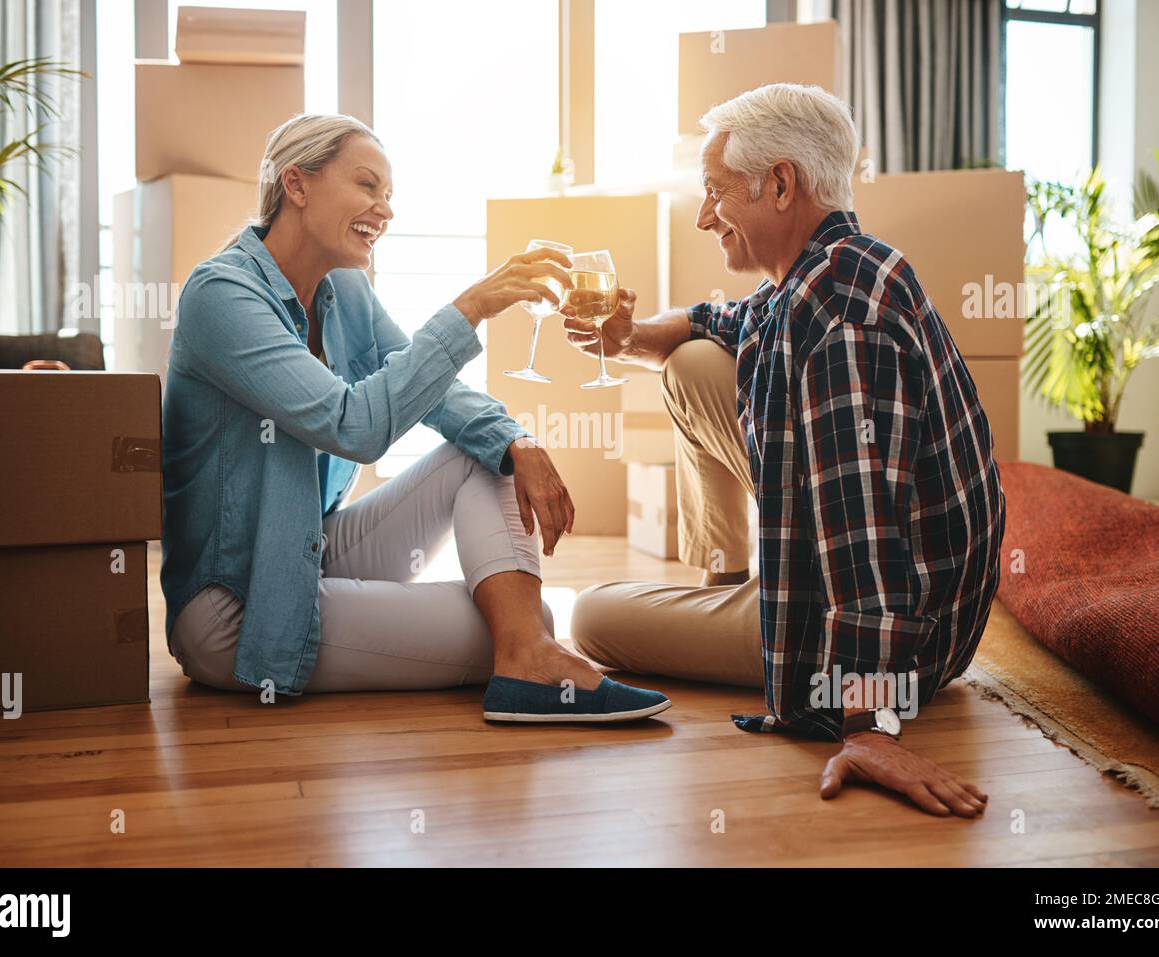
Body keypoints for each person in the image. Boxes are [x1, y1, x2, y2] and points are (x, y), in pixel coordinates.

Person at [565, 84, 1004, 815]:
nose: (705, 216)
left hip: (892, 644)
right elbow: (714, 318)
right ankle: (727, 581)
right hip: (916, 601)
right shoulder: (829, 267)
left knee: (590, 617)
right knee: (692, 359)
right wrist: (627, 340)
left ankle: (753, 620)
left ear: (779, 184)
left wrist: (869, 728)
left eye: (714, 193)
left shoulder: (838, 323)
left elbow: (866, 534)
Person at [161, 113, 669, 723]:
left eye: (389, 195)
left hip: (310, 549)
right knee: (522, 623)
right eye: (368, 186)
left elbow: (428, 388)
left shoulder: (343, 289)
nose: (385, 210)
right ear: (296, 185)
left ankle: (526, 659)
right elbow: (354, 427)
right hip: (239, 606)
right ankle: (527, 661)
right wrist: (473, 306)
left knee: (487, 465)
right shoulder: (221, 295)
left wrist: (516, 438)